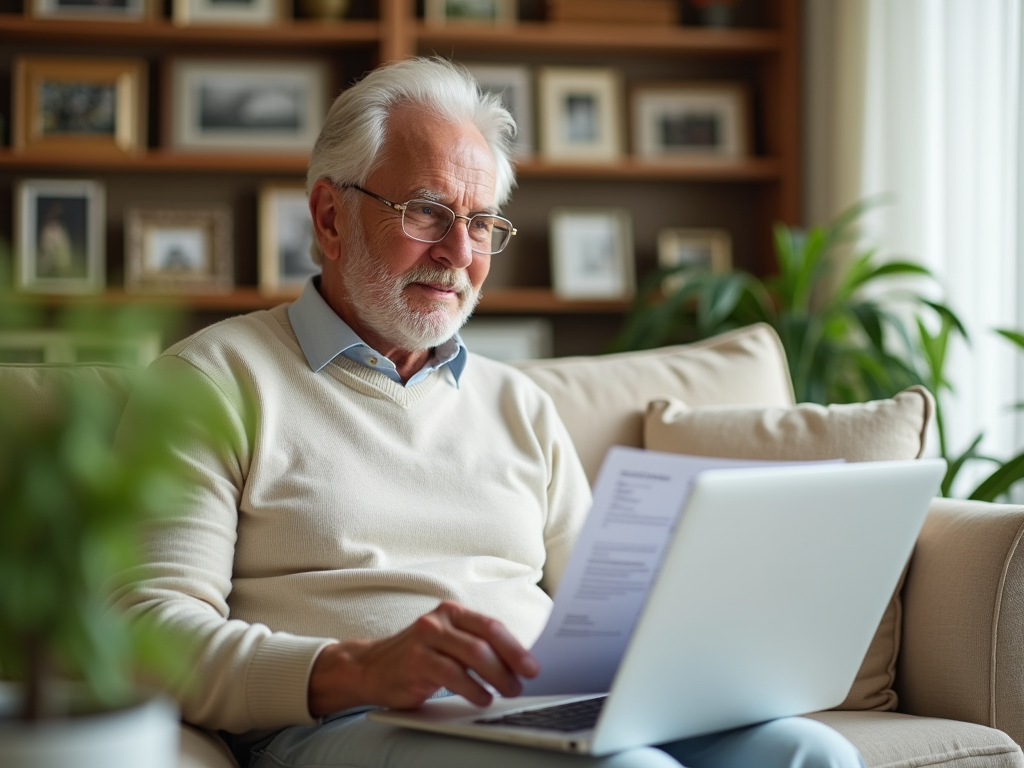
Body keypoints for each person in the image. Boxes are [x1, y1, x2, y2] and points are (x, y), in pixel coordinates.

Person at [117, 57, 865, 768]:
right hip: (345, 725)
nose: (457, 252)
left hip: (550, 711)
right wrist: (353, 670)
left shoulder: (519, 404)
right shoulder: (211, 383)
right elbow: (143, 633)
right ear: (330, 217)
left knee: (814, 754)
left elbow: (604, 615)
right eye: (428, 212)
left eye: (481, 225)